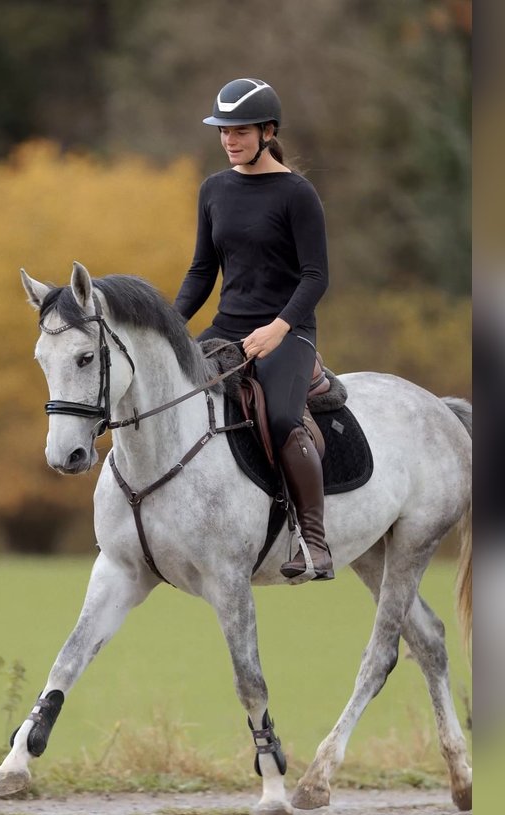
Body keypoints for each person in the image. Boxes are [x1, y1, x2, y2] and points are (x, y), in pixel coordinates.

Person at [173, 77, 333, 581]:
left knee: (283, 419)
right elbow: (203, 271)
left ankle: (313, 543)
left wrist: (279, 329)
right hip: (225, 326)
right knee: (174, 399)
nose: (228, 140)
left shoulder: (297, 194)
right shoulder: (214, 189)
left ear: (268, 131)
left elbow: (316, 276)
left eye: (239, 130)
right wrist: (170, 328)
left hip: (289, 331)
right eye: (223, 131)